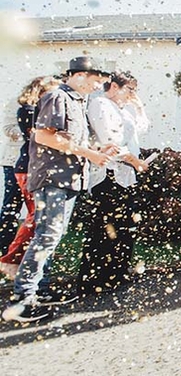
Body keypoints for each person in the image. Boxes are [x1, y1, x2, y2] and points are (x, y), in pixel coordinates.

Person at [1, 56, 114, 323]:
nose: (98, 86)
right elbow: (44, 136)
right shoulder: (56, 97)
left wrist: (97, 149)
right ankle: (22, 299)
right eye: (96, 80)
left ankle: (37, 291)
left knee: (51, 236)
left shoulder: (77, 101)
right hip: (53, 179)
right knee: (46, 236)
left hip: (68, 179)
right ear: (79, 75)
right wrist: (90, 153)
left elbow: (70, 141)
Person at [78, 71, 150, 295]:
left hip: (125, 176)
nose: (132, 94)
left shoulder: (124, 110)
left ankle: (116, 273)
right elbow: (111, 142)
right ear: (114, 87)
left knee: (124, 227)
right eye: (129, 89)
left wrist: (139, 107)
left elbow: (140, 129)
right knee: (104, 227)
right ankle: (94, 279)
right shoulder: (100, 104)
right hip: (108, 174)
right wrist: (135, 161)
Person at [0, 76, 61, 279]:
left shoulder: (43, 108)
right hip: (23, 164)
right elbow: (16, 131)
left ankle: (27, 262)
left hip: (36, 165)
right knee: (27, 214)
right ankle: (10, 257)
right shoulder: (26, 109)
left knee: (38, 217)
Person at [0, 99, 23, 255]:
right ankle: (4, 248)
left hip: (39, 164)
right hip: (14, 162)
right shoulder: (17, 102)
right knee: (11, 207)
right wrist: (34, 132)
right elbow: (8, 129)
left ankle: (22, 250)